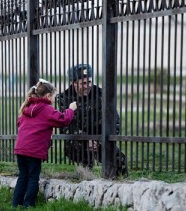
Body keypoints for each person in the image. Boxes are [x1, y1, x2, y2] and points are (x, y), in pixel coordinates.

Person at [12, 79, 77, 208]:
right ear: (48, 96)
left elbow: (20, 123)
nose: (54, 99)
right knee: (33, 178)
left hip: (20, 149)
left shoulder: (27, 107)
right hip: (33, 151)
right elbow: (63, 120)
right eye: (54, 96)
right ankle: (29, 205)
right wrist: (71, 109)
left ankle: (16, 205)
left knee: (23, 177)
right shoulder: (47, 109)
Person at [56, 64, 128, 176]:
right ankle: (84, 175)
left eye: (89, 82)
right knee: (84, 162)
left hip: (100, 138)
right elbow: (66, 126)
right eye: (83, 83)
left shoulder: (101, 94)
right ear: (74, 83)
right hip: (77, 141)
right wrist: (86, 139)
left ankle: (117, 182)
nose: (87, 86)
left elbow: (114, 121)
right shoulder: (64, 98)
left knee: (119, 160)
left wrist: (100, 140)